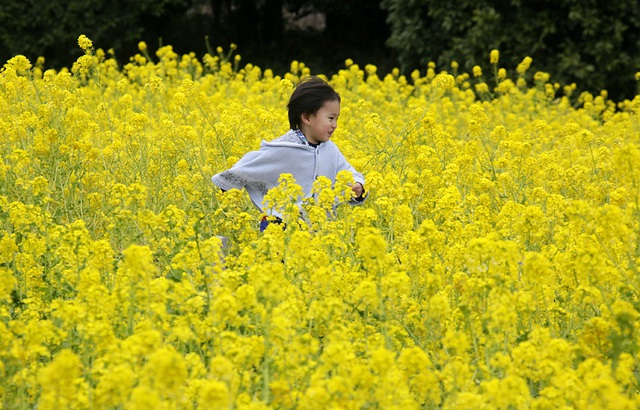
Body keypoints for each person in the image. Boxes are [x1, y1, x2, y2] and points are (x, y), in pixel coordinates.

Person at [212, 75, 366, 231]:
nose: (335, 125)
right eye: (331, 118)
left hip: (316, 227)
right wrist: (228, 198)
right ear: (306, 117)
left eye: (336, 119)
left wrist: (358, 186)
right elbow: (246, 167)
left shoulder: (330, 149)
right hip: (279, 224)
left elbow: (348, 171)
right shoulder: (285, 148)